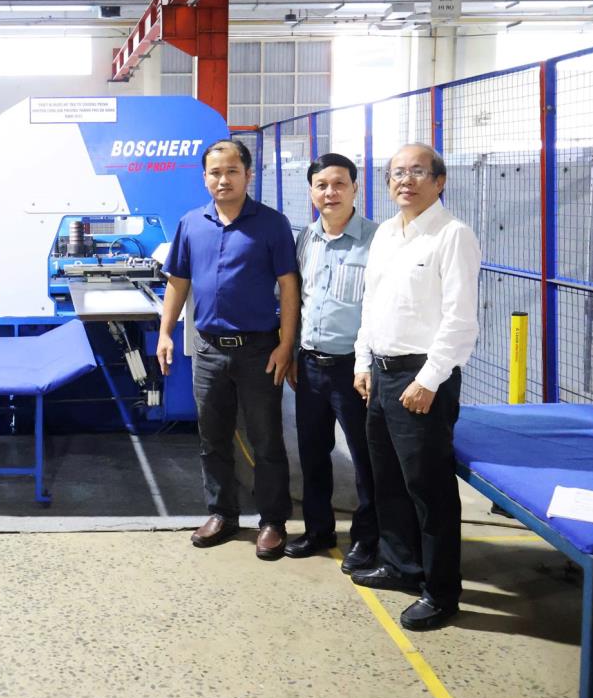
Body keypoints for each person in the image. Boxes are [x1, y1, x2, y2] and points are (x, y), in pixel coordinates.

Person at [351, 143, 481, 631]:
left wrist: (428, 380)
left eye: (418, 172)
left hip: (422, 378)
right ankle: (401, 566)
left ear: (439, 181)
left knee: (429, 490)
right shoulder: (387, 233)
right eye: (397, 173)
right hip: (381, 374)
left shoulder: (452, 236)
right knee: (388, 479)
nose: (405, 180)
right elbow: (371, 305)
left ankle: (441, 592)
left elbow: (459, 321)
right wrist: (364, 362)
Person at [157, 138, 300, 560]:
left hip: (259, 350)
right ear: (205, 178)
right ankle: (222, 513)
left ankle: (273, 521)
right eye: (215, 173)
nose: (224, 180)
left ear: (248, 175)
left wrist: (286, 344)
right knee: (212, 438)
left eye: (232, 171)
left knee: (266, 439)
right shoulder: (191, 223)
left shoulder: (272, 224)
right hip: (208, 350)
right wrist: (165, 333)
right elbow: (177, 282)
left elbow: (289, 287)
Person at [285, 153, 379, 573]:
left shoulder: (377, 240)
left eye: (339, 183)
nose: (330, 192)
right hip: (309, 366)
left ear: (355, 188)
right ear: (311, 192)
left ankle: (368, 539)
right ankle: (318, 530)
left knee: (365, 458)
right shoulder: (305, 238)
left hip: (354, 370)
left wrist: (367, 365)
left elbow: (381, 310)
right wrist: (292, 353)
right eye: (321, 185)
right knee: (312, 454)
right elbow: (297, 302)